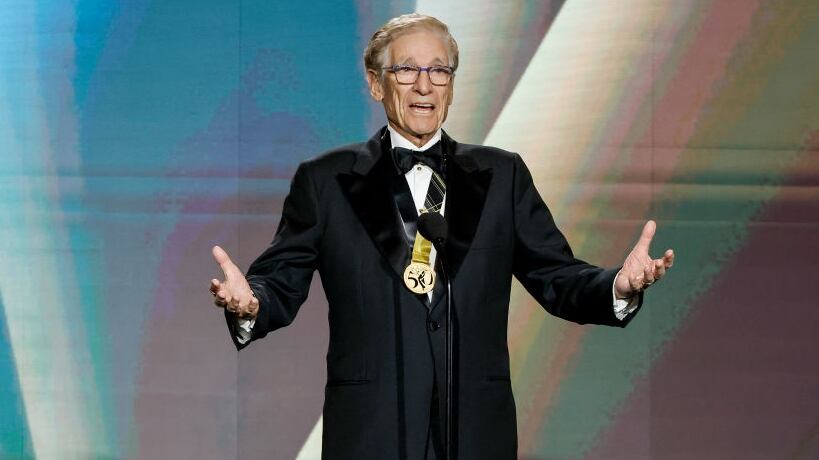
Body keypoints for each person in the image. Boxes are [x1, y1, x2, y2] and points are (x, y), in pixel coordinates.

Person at [209, 13, 674, 460]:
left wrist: (618, 286)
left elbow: (557, 276)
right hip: (372, 432)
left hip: (475, 430)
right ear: (376, 83)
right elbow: (279, 281)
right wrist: (251, 302)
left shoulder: (502, 175)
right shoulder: (325, 180)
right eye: (407, 69)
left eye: (439, 70)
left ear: (451, 85)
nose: (425, 85)